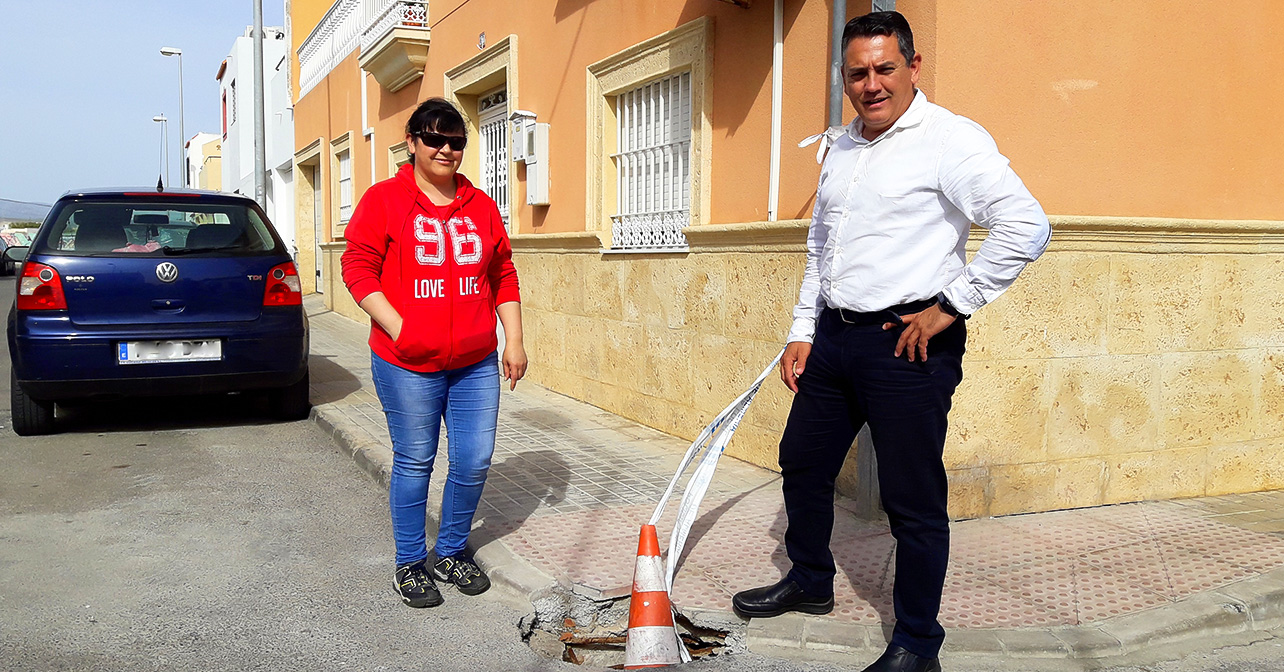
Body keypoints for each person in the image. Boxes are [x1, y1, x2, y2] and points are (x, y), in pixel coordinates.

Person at [731, 11, 1050, 672]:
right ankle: (812, 579)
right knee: (803, 461)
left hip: (908, 342)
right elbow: (824, 248)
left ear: (912, 67)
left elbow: (1026, 226)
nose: (871, 84)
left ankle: (915, 642)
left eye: (884, 68)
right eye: (858, 72)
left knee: (912, 498)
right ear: (844, 77)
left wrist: (951, 307)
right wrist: (802, 330)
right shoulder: (843, 145)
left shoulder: (949, 140)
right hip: (836, 338)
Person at [341, 97, 527, 608]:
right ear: (413, 142)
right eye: (435, 139)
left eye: (457, 142)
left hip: (474, 363)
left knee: (473, 458)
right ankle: (409, 563)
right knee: (416, 460)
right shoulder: (383, 200)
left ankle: (450, 551)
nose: (446, 150)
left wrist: (513, 338)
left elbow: (502, 274)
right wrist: (402, 329)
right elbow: (358, 269)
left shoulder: (481, 205)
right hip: (406, 363)